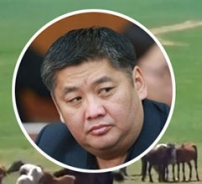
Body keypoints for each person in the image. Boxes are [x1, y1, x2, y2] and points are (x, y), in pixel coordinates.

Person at [34, 26, 170, 170]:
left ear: (138, 83)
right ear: (58, 107)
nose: (93, 112)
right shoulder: (51, 144)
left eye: (105, 90)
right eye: (75, 99)